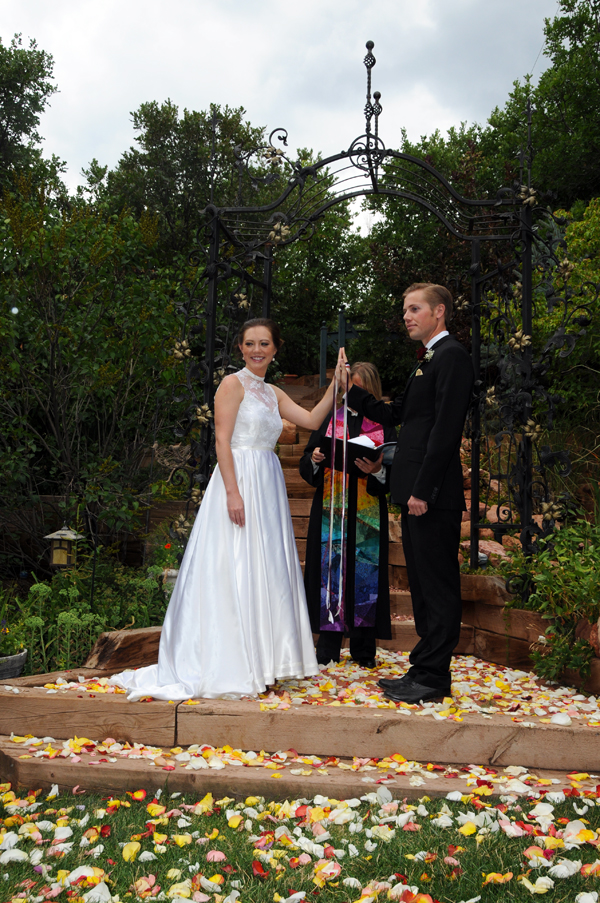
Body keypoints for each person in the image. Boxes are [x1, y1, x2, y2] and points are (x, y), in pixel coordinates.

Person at [111, 319, 347, 701]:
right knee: (234, 564)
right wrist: (232, 494)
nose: (257, 349)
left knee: (266, 566)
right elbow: (222, 440)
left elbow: (312, 420)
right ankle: (234, 661)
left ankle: (265, 660)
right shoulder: (231, 385)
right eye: (250, 343)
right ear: (240, 348)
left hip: (267, 482)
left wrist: (336, 382)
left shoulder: (273, 392)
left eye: (264, 343)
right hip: (238, 479)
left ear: (275, 348)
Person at [343, 284, 474, 704]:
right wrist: (352, 391)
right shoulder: (426, 361)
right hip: (416, 492)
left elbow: (445, 431)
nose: (406, 315)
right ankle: (423, 670)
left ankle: (433, 678)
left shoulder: (451, 356)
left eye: (414, 309)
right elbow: (396, 415)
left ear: (439, 312)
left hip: (431, 494)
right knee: (421, 585)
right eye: (405, 309)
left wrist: (424, 490)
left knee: (437, 586)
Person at [299, 362, 396, 668]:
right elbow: (308, 460)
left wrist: (378, 470)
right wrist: (315, 458)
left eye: (360, 389)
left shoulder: (384, 424)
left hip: (367, 511)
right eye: (348, 388)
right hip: (331, 508)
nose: (352, 395)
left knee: (363, 574)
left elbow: (395, 469)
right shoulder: (330, 418)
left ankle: (364, 651)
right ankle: (326, 649)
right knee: (330, 573)